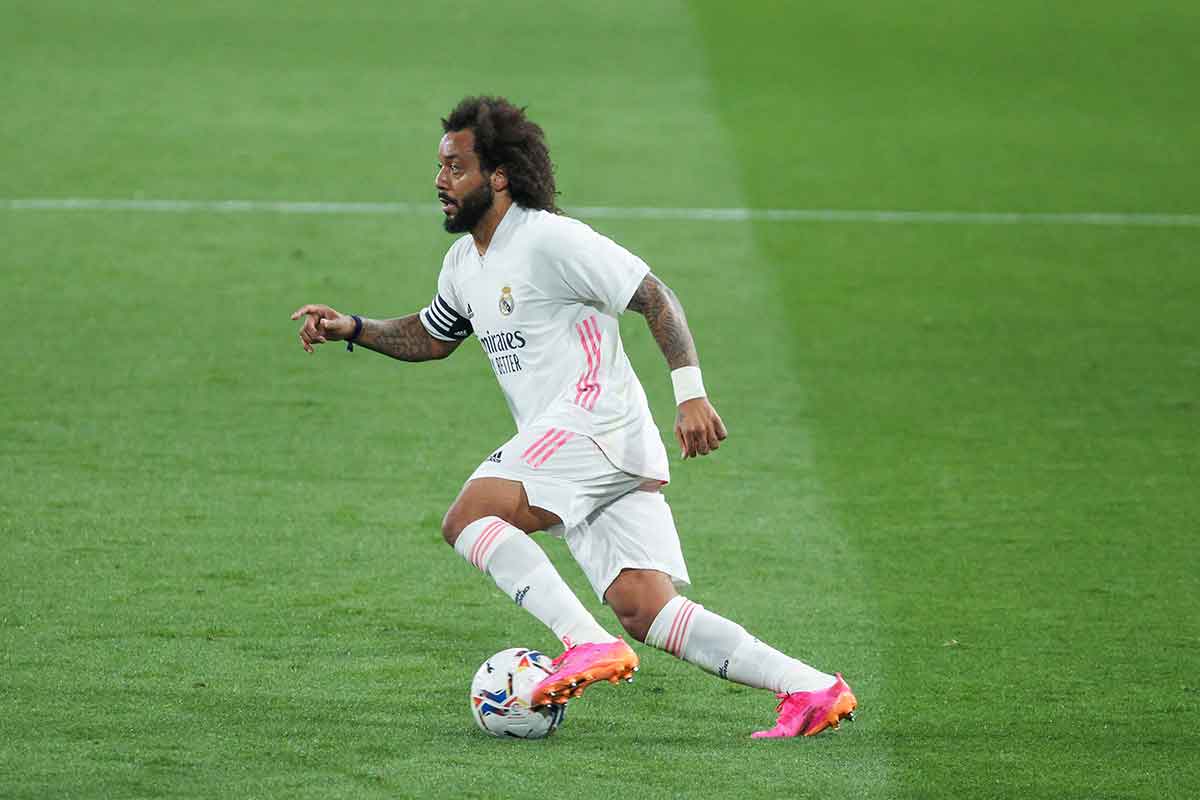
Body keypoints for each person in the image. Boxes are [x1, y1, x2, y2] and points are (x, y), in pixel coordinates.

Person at [291, 96, 856, 737]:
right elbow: (432, 335)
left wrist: (691, 394)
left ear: (498, 176)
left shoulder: (549, 239)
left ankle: (585, 643)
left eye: (456, 167)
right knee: (646, 610)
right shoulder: (464, 264)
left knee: (468, 518)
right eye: (440, 166)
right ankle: (812, 689)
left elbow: (655, 296)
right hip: (591, 445)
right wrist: (352, 327)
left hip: (593, 422)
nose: (441, 180)